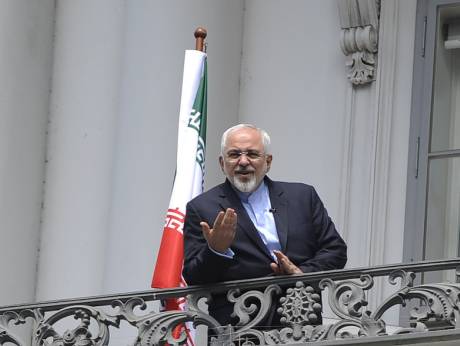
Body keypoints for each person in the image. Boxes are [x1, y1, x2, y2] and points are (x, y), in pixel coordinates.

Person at [182, 124, 347, 328]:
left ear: (268, 161)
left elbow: (335, 251)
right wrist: (216, 250)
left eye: (252, 154)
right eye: (234, 154)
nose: (243, 161)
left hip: (301, 321)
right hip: (238, 328)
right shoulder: (201, 208)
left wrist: (301, 273)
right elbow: (193, 277)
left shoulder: (303, 197)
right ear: (222, 163)